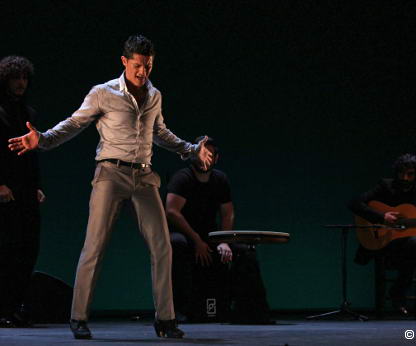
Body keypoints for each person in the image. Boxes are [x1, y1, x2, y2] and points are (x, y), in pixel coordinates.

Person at [8, 35, 212, 339]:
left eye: (148, 66)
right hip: (110, 173)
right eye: (138, 66)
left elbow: (160, 132)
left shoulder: (155, 96)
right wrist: (44, 139)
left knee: (162, 245)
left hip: (144, 177)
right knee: (95, 245)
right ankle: (78, 316)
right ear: (125, 62)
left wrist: (191, 149)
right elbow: (74, 123)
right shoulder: (103, 93)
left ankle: (165, 320)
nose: (143, 72)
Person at [165, 136, 270, 323]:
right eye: (201, 154)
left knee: (245, 252)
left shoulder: (220, 179)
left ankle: (251, 312)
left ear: (216, 159)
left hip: (211, 236)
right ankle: (177, 311)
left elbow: (228, 213)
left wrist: (224, 241)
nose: (205, 159)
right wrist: (197, 240)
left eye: (210, 155)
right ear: (193, 156)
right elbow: (172, 212)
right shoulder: (183, 178)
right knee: (175, 244)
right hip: (185, 235)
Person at [348, 154, 416, 317]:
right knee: (415, 242)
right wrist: (382, 217)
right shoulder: (385, 187)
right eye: (401, 174)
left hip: (411, 246)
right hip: (385, 245)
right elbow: (355, 203)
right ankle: (399, 292)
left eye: (409, 174)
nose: (405, 178)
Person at [0, 55, 46, 328]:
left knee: (28, 248)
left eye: (24, 78)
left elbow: (32, 154)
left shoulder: (29, 113)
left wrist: (38, 186)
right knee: (6, 250)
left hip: (26, 189)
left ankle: (16, 307)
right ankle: (3, 308)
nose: (21, 83)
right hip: (5, 190)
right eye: (16, 78)